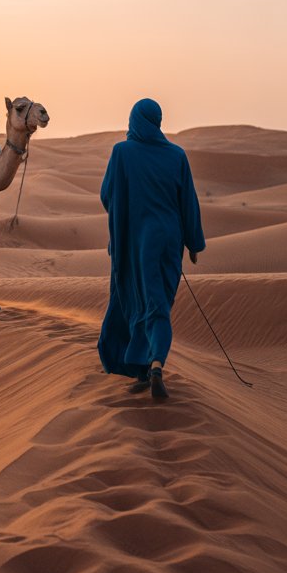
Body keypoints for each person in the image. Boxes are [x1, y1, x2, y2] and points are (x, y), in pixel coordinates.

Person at [98, 98, 205, 400]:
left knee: (136, 301)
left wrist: (124, 218)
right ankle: (154, 362)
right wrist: (194, 244)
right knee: (158, 304)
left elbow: (108, 195)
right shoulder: (177, 155)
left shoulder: (122, 153)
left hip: (135, 242)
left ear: (134, 120)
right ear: (157, 120)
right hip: (170, 242)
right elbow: (189, 204)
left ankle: (146, 366)